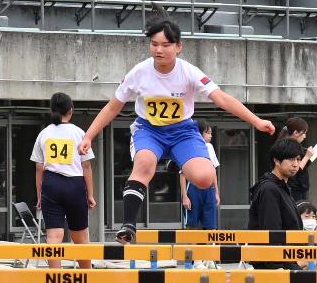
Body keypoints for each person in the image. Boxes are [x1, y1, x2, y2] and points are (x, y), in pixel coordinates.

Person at [78, 19, 275, 242]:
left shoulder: (189, 72)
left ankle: (175, 162)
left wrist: (256, 121)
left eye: (165, 45)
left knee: (204, 178)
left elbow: (221, 98)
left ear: (178, 46)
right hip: (149, 129)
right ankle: (129, 224)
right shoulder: (139, 72)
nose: (158, 50)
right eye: (154, 44)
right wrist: (89, 134)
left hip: (182, 131)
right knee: (144, 163)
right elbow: (113, 106)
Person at [30, 91, 96, 283]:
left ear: (52, 111)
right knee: (81, 236)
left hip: (51, 184)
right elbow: (86, 167)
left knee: (54, 236)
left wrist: (40, 195)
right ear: (71, 111)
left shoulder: (44, 134)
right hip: (74, 184)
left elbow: (39, 168)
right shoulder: (78, 133)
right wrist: (90, 194)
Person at [250, 140, 317, 283]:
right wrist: (276, 267)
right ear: (277, 160)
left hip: (287, 257)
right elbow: (271, 229)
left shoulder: (282, 186)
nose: (295, 164)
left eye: (298, 159)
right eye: (290, 159)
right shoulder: (269, 189)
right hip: (273, 263)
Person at [282, 116, 313, 201]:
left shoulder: (293, 145)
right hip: (292, 190)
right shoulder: (287, 146)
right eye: (304, 133)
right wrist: (307, 157)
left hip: (297, 189)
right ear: (296, 132)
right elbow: (294, 170)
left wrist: (307, 157)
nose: (305, 136)